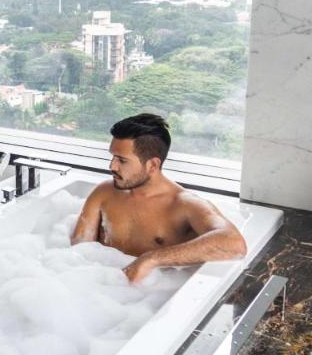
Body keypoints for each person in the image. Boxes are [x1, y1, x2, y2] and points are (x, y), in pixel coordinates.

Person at [70, 112, 247, 284]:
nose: (112, 166)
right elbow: (77, 250)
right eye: (113, 157)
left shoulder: (184, 204)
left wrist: (151, 259)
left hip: (152, 294)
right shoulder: (104, 192)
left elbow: (234, 244)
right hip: (101, 287)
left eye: (122, 161)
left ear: (153, 165)